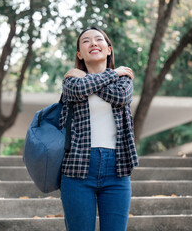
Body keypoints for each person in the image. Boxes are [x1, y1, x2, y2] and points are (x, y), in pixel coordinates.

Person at [59, 26, 139, 231]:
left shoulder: (123, 80)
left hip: (117, 168)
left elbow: (120, 97)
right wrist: (113, 74)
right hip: (77, 167)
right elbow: (80, 89)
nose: (93, 43)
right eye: (86, 41)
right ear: (79, 53)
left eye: (99, 39)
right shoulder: (71, 80)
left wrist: (97, 77)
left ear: (108, 49)